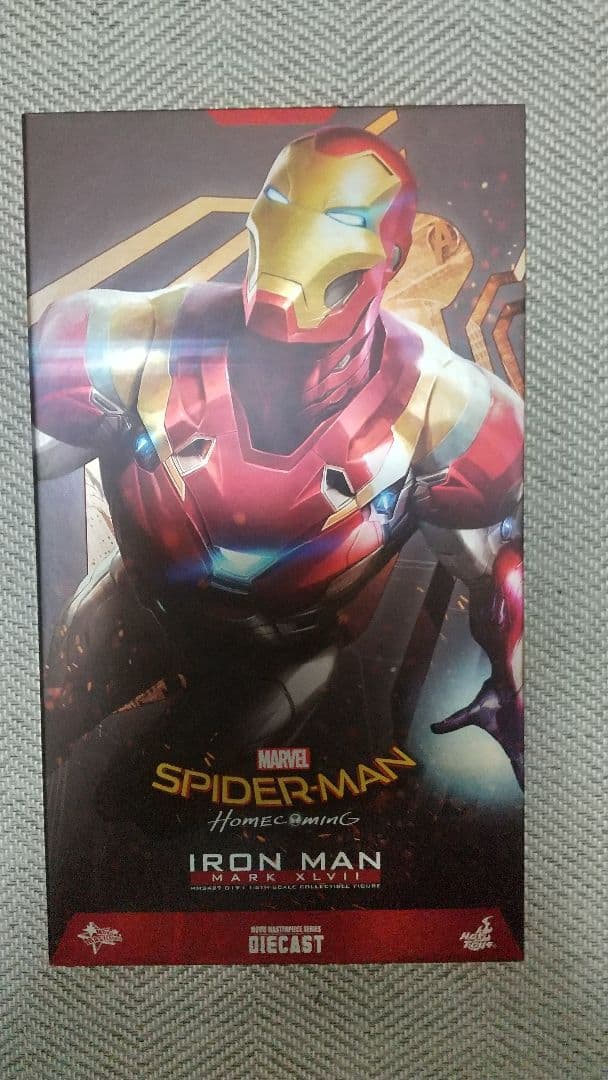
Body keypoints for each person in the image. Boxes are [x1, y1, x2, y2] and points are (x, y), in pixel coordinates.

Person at [32, 126, 523, 785]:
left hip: (278, 662)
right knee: (43, 728)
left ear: (392, 256)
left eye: (338, 220)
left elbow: (498, 573)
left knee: (156, 802)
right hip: (134, 610)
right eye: (284, 205)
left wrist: (519, 691)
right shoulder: (131, 345)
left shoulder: (445, 412)